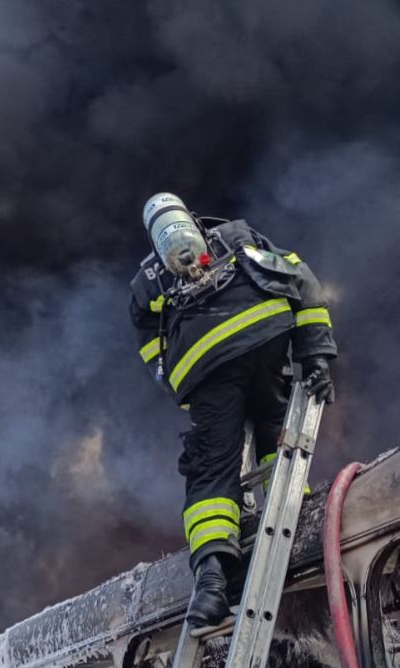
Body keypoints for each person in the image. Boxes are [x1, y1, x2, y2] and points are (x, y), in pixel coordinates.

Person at [130, 192, 338, 627]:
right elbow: (299, 279)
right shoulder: (237, 234)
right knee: (276, 429)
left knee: (212, 467)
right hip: (267, 338)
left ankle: (211, 583)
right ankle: (298, 526)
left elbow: (150, 341)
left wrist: (173, 380)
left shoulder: (145, 283)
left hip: (208, 371)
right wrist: (315, 357)